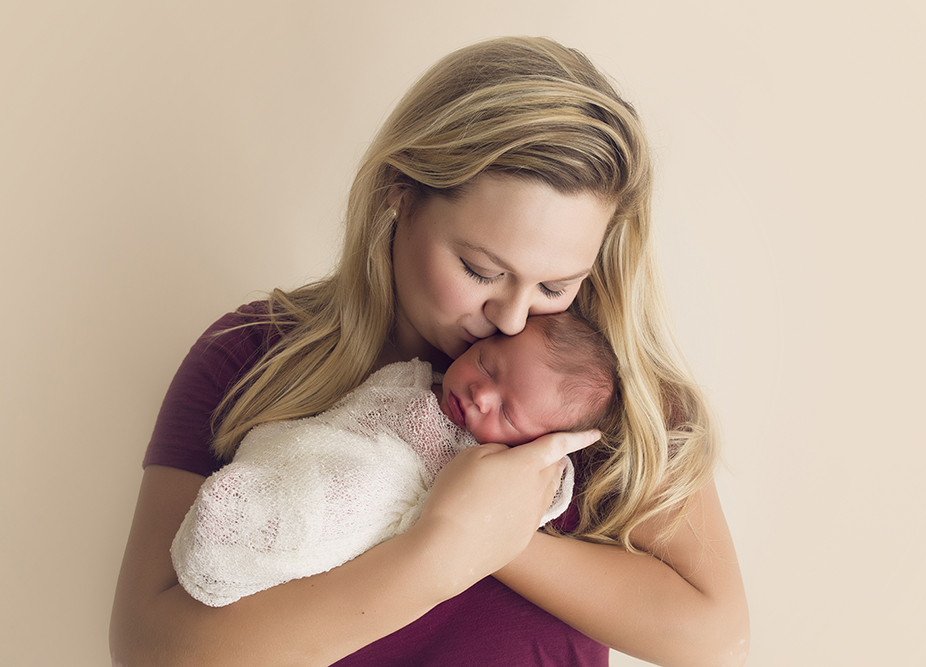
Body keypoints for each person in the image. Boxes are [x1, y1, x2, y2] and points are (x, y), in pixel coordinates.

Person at [110, 36, 749, 667]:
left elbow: (714, 639)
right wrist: (441, 548)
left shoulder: (597, 395)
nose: (513, 315)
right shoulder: (254, 355)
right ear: (400, 192)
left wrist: (508, 538)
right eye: (479, 269)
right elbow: (150, 652)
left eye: (555, 285)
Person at [172, 312, 618, 608]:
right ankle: (246, 507)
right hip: (338, 451)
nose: (481, 395)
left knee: (356, 490)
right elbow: (352, 416)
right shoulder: (419, 379)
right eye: (486, 365)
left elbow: (537, 493)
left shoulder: (499, 464)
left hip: (385, 491)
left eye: (508, 412)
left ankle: (250, 528)